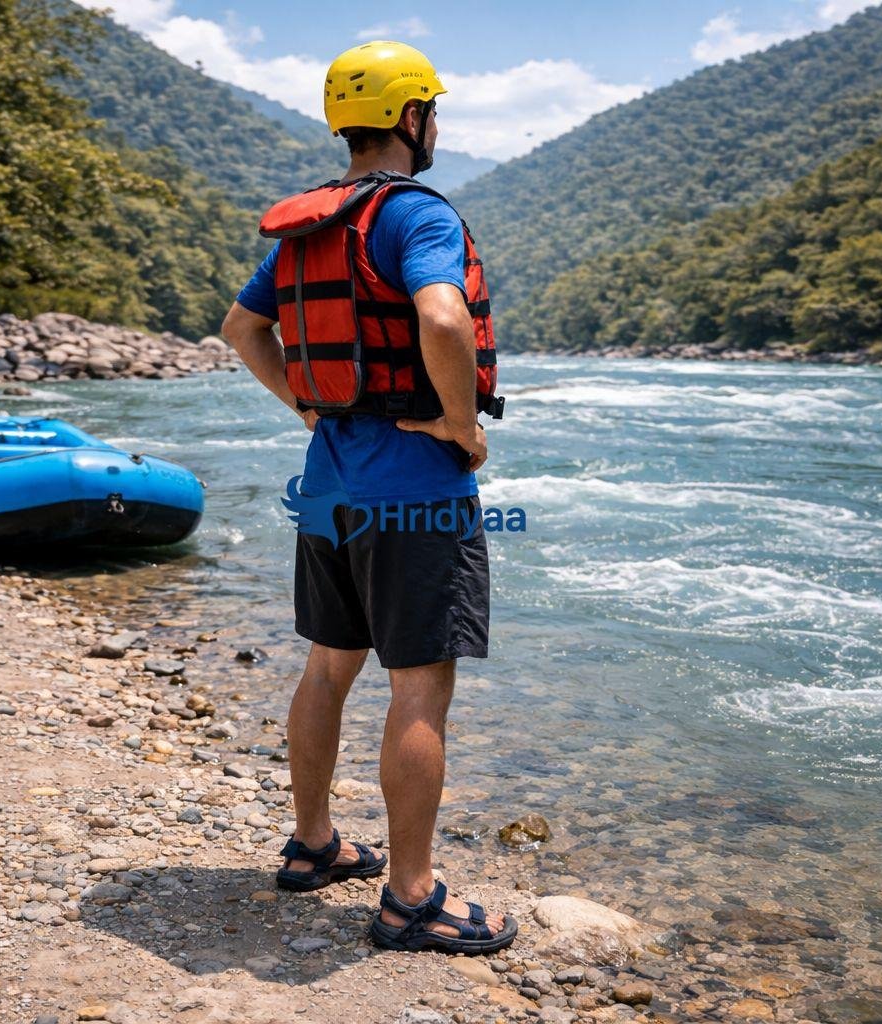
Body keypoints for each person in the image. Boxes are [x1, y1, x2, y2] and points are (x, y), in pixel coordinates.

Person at [220, 40, 516, 954]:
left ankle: (312, 845)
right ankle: (411, 897)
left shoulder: (310, 226)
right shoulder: (415, 213)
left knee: (327, 665)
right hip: (414, 487)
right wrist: (461, 426)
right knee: (419, 688)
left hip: (328, 487)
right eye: (434, 112)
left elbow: (243, 328)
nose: (437, 127)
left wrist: (306, 407)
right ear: (411, 118)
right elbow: (441, 316)